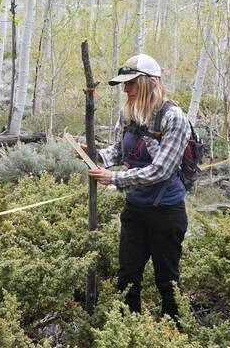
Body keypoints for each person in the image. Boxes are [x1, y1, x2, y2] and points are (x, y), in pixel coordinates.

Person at [81, 54, 190, 320]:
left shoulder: (173, 118)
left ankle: (173, 333)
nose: (125, 90)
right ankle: (129, 330)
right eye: (124, 84)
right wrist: (95, 155)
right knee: (128, 277)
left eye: (131, 83)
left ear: (150, 83)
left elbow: (161, 170)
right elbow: (119, 151)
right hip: (135, 211)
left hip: (166, 213)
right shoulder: (129, 114)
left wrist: (115, 179)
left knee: (167, 283)